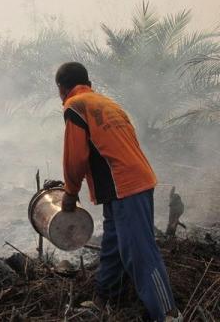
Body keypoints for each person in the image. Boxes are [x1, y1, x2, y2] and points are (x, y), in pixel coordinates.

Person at [55, 62, 181, 322]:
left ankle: (169, 314)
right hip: (128, 184)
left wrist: (70, 191)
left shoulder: (75, 106)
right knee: (113, 245)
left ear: (62, 89)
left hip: (126, 187)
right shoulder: (108, 103)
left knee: (140, 251)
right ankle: (105, 298)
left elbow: (76, 157)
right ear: (87, 82)